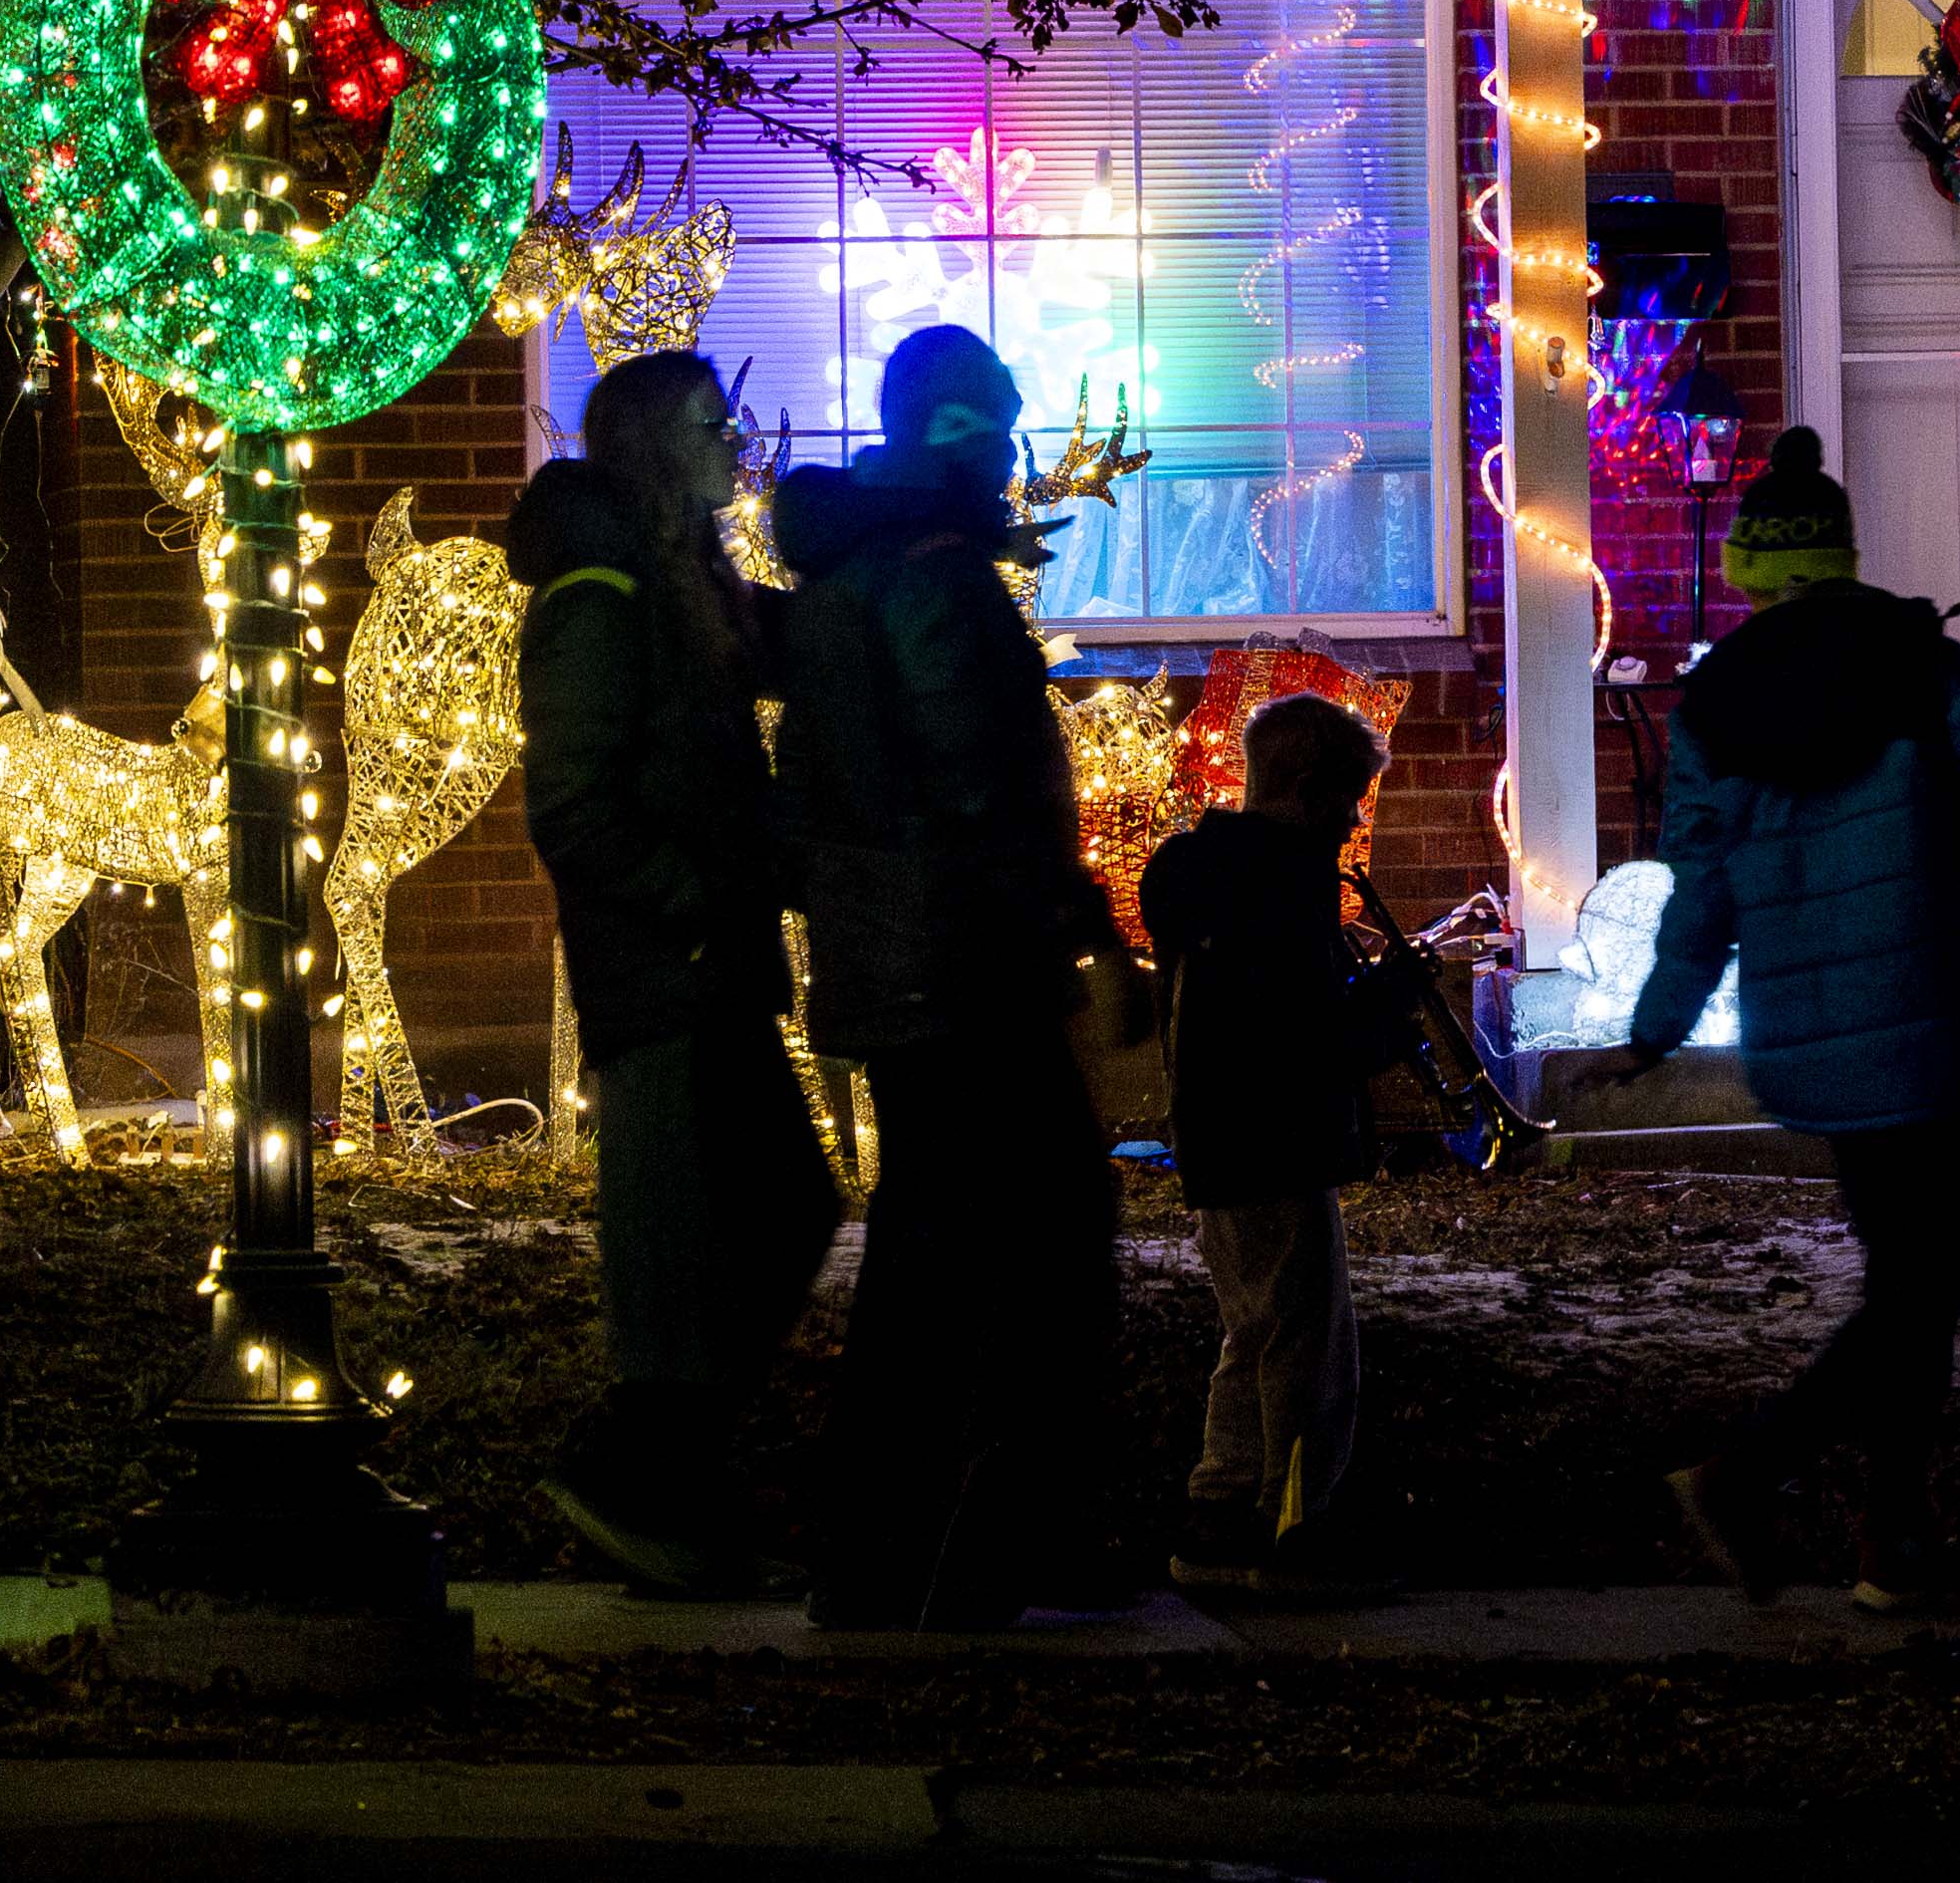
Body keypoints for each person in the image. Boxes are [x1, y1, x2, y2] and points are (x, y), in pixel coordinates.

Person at [1606, 423, 1960, 1616]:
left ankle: (1886, 1540)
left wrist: (1657, 1022)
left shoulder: (1712, 706)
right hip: (1918, 1014)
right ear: (1843, 554)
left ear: (1751, 570)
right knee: (1927, 1281)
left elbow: (1696, 886)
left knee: (1910, 1278)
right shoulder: (1918, 662)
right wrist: (1929, 889)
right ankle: (1756, 1480)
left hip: (1809, 1034)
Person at [769, 321, 1135, 1629]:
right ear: (958, 428)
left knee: (931, 1256)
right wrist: (1075, 927)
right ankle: (999, 1545)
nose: (1012, 444)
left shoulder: (850, 571)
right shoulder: (931, 580)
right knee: (1038, 1251)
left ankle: (879, 1551)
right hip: (967, 968)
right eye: (996, 417)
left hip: (902, 965)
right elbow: (981, 788)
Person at [514, 348, 840, 1599]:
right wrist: (695, 910)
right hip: (666, 974)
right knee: (689, 1239)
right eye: (715, 423)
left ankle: (663, 1475)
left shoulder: (680, 580)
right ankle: (636, 1476)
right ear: (658, 445)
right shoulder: (600, 596)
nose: (739, 441)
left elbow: (786, 634)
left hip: (711, 965)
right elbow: (574, 806)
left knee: (773, 1214)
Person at [1139, 693, 1421, 1604]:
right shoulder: (1282, 889)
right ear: (1304, 789)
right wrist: (1392, 1001)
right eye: (1347, 803)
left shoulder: (1209, 874)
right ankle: (1294, 1531)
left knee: (1253, 1331)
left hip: (1221, 1138)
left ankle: (1218, 1516)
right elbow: (1308, 1042)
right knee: (1307, 1349)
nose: (1352, 823)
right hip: (1278, 1139)